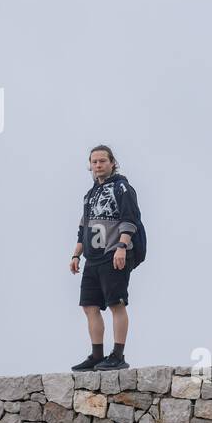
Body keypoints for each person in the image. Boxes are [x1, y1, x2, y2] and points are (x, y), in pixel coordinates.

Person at [70, 144, 142, 371]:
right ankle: (97, 355)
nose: (98, 165)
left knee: (116, 303)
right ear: (90, 165)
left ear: (112, 163)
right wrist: (76, 254)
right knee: (89, 306)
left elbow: (130, 219)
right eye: (94, 162)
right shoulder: (89, 195)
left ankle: (118, 355)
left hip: (114, 254)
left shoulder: (122, 188)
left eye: (102, 161)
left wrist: (122, 246)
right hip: (93, 258)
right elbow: (84, 228)